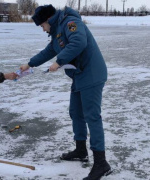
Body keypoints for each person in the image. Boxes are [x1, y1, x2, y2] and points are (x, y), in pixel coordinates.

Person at [20, 5, 112, 180]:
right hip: (79, 75)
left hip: (91, 74)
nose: (42, 29)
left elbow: (79, 42)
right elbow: (49, 51)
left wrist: (59, 61)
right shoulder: (57, 31)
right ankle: (81, 149)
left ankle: (102, 163)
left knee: (92, 116)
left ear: (47, 20)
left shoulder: (70, 22)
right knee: (76, 113)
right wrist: (30, 64)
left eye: (41, 25)